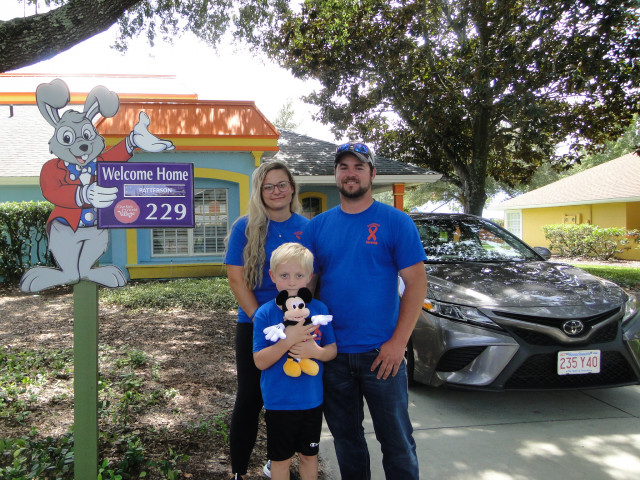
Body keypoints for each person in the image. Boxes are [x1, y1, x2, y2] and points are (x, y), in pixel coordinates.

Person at [302, 142, 427, 480]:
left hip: (381, 354)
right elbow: (307, 288)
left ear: (372, 173)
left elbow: (416, 285)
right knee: (347, 441)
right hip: (333, 355)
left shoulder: (396, 222)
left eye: (358, 167)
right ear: (336, 175)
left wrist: (398, 344)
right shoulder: (317, 228)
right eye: (343, 167)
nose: (350, 173)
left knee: (397, 441)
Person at [224, 161, 309, 480]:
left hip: (295, 324)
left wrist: (298, 321)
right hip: (254, 325)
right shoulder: (244, 227)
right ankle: (238, 472)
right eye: (269, 186)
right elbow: (236, 278)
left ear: (292, 188)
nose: (277, 191)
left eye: (282, 184)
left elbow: (311, 279)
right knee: (250, 397)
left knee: (289, 398)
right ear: (259, 191)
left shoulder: (306, 227)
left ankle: (278, 464)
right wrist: (263, 321)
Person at [253, 242, 337, 480]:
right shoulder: (265, 314)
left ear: (309, 277)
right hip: (279, 402)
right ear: (273, 276)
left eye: (299, 275)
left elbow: (331, 350)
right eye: (284, 275)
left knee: (309, 457)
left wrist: (314, 352)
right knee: (280, 461)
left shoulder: (319, 310)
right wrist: (287, 341)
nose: (291, 282)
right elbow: (259, 361)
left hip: (311, 400)